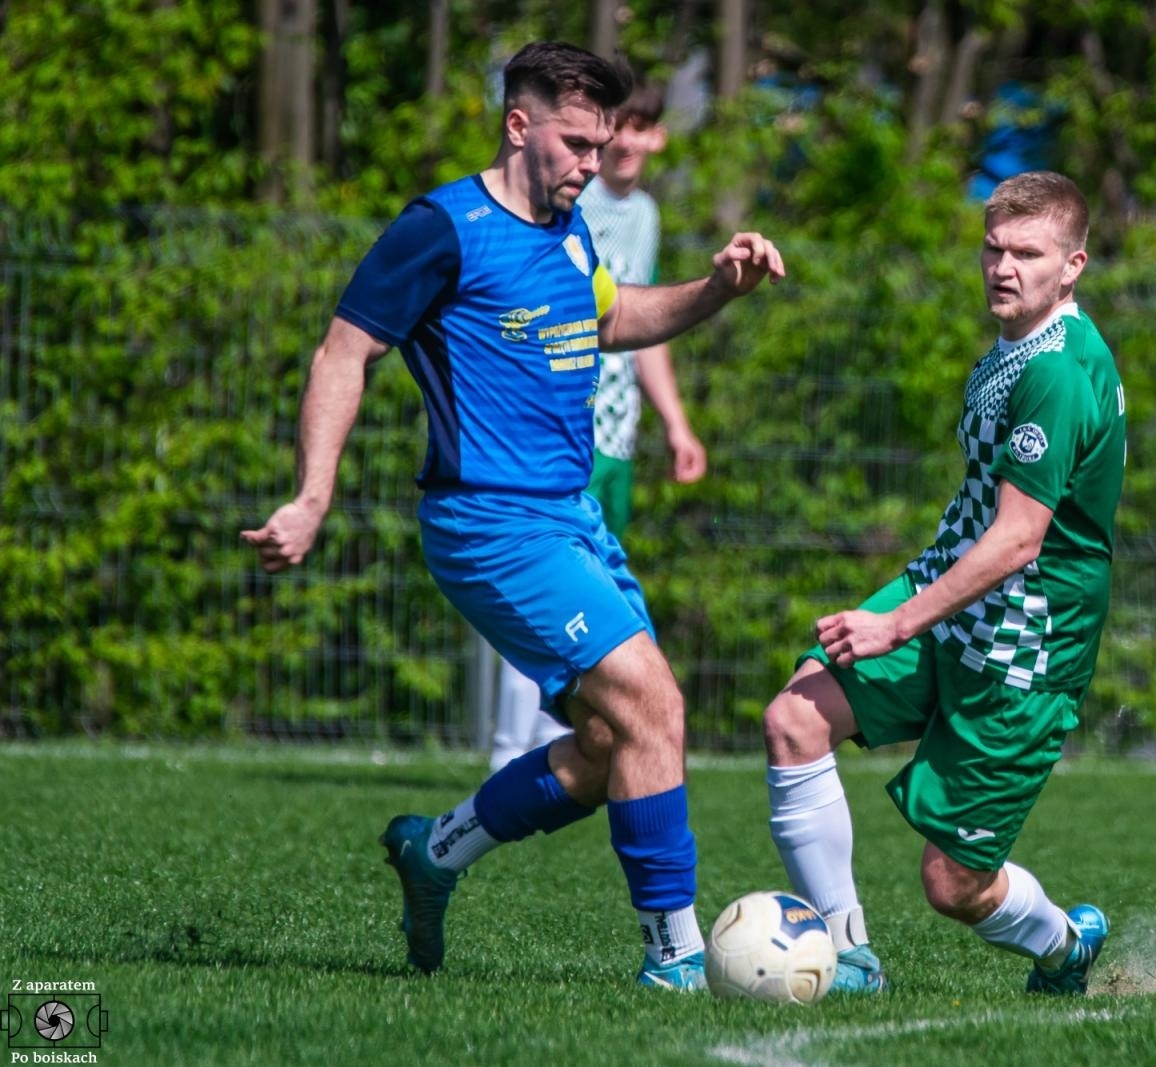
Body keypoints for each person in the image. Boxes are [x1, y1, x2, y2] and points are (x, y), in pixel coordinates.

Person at [241, 41, 785, 990]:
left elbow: (609, 320)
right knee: (655, 702)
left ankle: (436, 851)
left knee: (612, 742)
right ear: (518, 124)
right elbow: (342, 353)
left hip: (572, 518)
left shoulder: (569, 229)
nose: (592, 163)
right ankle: (676, 958)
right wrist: (312, 494)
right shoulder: (443, 227)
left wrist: (716, 291)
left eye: (601, 144)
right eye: (577, 143)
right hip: (490, 524)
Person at [761, 171, 1124, 996]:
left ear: (1073, 266)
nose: (1004, 268)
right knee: (794, 720)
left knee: (952, 884)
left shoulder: (1058, 373)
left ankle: (1065, 944)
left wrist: (896, 623)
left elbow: (1021, 538)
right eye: (994, 249)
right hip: (951, 592)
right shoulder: (1014, 347)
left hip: (1024, 643)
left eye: (1028, 253)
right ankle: (848, 957)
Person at [489, 79, 706, 774]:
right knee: (544, 587)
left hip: (614, 439)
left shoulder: (644, 214)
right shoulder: (564, 205)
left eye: (642, 126)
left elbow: (636, 324)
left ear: (657, 137)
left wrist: (676, 424)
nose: (626, 141)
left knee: (590, 596)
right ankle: (509, 749)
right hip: (558, 432)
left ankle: (564, 746)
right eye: (618, 126)